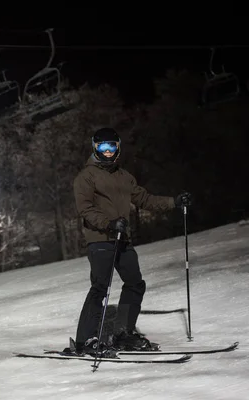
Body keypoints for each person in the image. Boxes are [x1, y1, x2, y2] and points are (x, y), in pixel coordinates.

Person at [72, 127, 192, 355]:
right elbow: (85, 209)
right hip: (100, 240)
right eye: (102, 148)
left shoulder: (124, 176)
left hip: (122, 239)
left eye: (112, 148)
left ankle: (123, 333)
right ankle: (86, 340)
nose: (108, 153)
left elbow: (144, 199)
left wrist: (174, 202)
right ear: (95, 149)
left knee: (135, 284)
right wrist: (109, 223)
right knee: (100, 288)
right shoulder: (85, 177)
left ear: (118, 148)